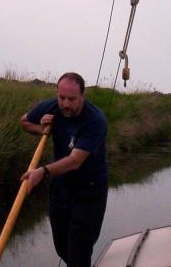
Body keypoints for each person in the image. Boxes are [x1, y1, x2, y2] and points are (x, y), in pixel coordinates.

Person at [20, 72, 108, 267]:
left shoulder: (95, 121)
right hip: (61, 186)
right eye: (62, 98)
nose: (66, 104)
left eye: (72, 99)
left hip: (89, 190)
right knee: (62, 247)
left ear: (83, 96)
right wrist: (41, 129)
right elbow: (24, 121)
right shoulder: (51, 107)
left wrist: (42, 171)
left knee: (79, 250)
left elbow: (75, 161)